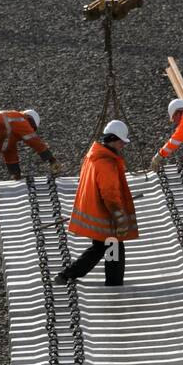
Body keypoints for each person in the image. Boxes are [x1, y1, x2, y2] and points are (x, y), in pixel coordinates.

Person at [55, 119, 138, 288]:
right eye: (122, 141)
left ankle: (67, 275)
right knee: (113, 246)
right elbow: (110, 193)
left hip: (95, 209)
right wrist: (119, 217)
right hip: (105, 214)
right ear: (113, 139)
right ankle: (113, 284)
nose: (123, 145)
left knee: (101, 247)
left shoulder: (93, 155)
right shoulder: (106, 163)